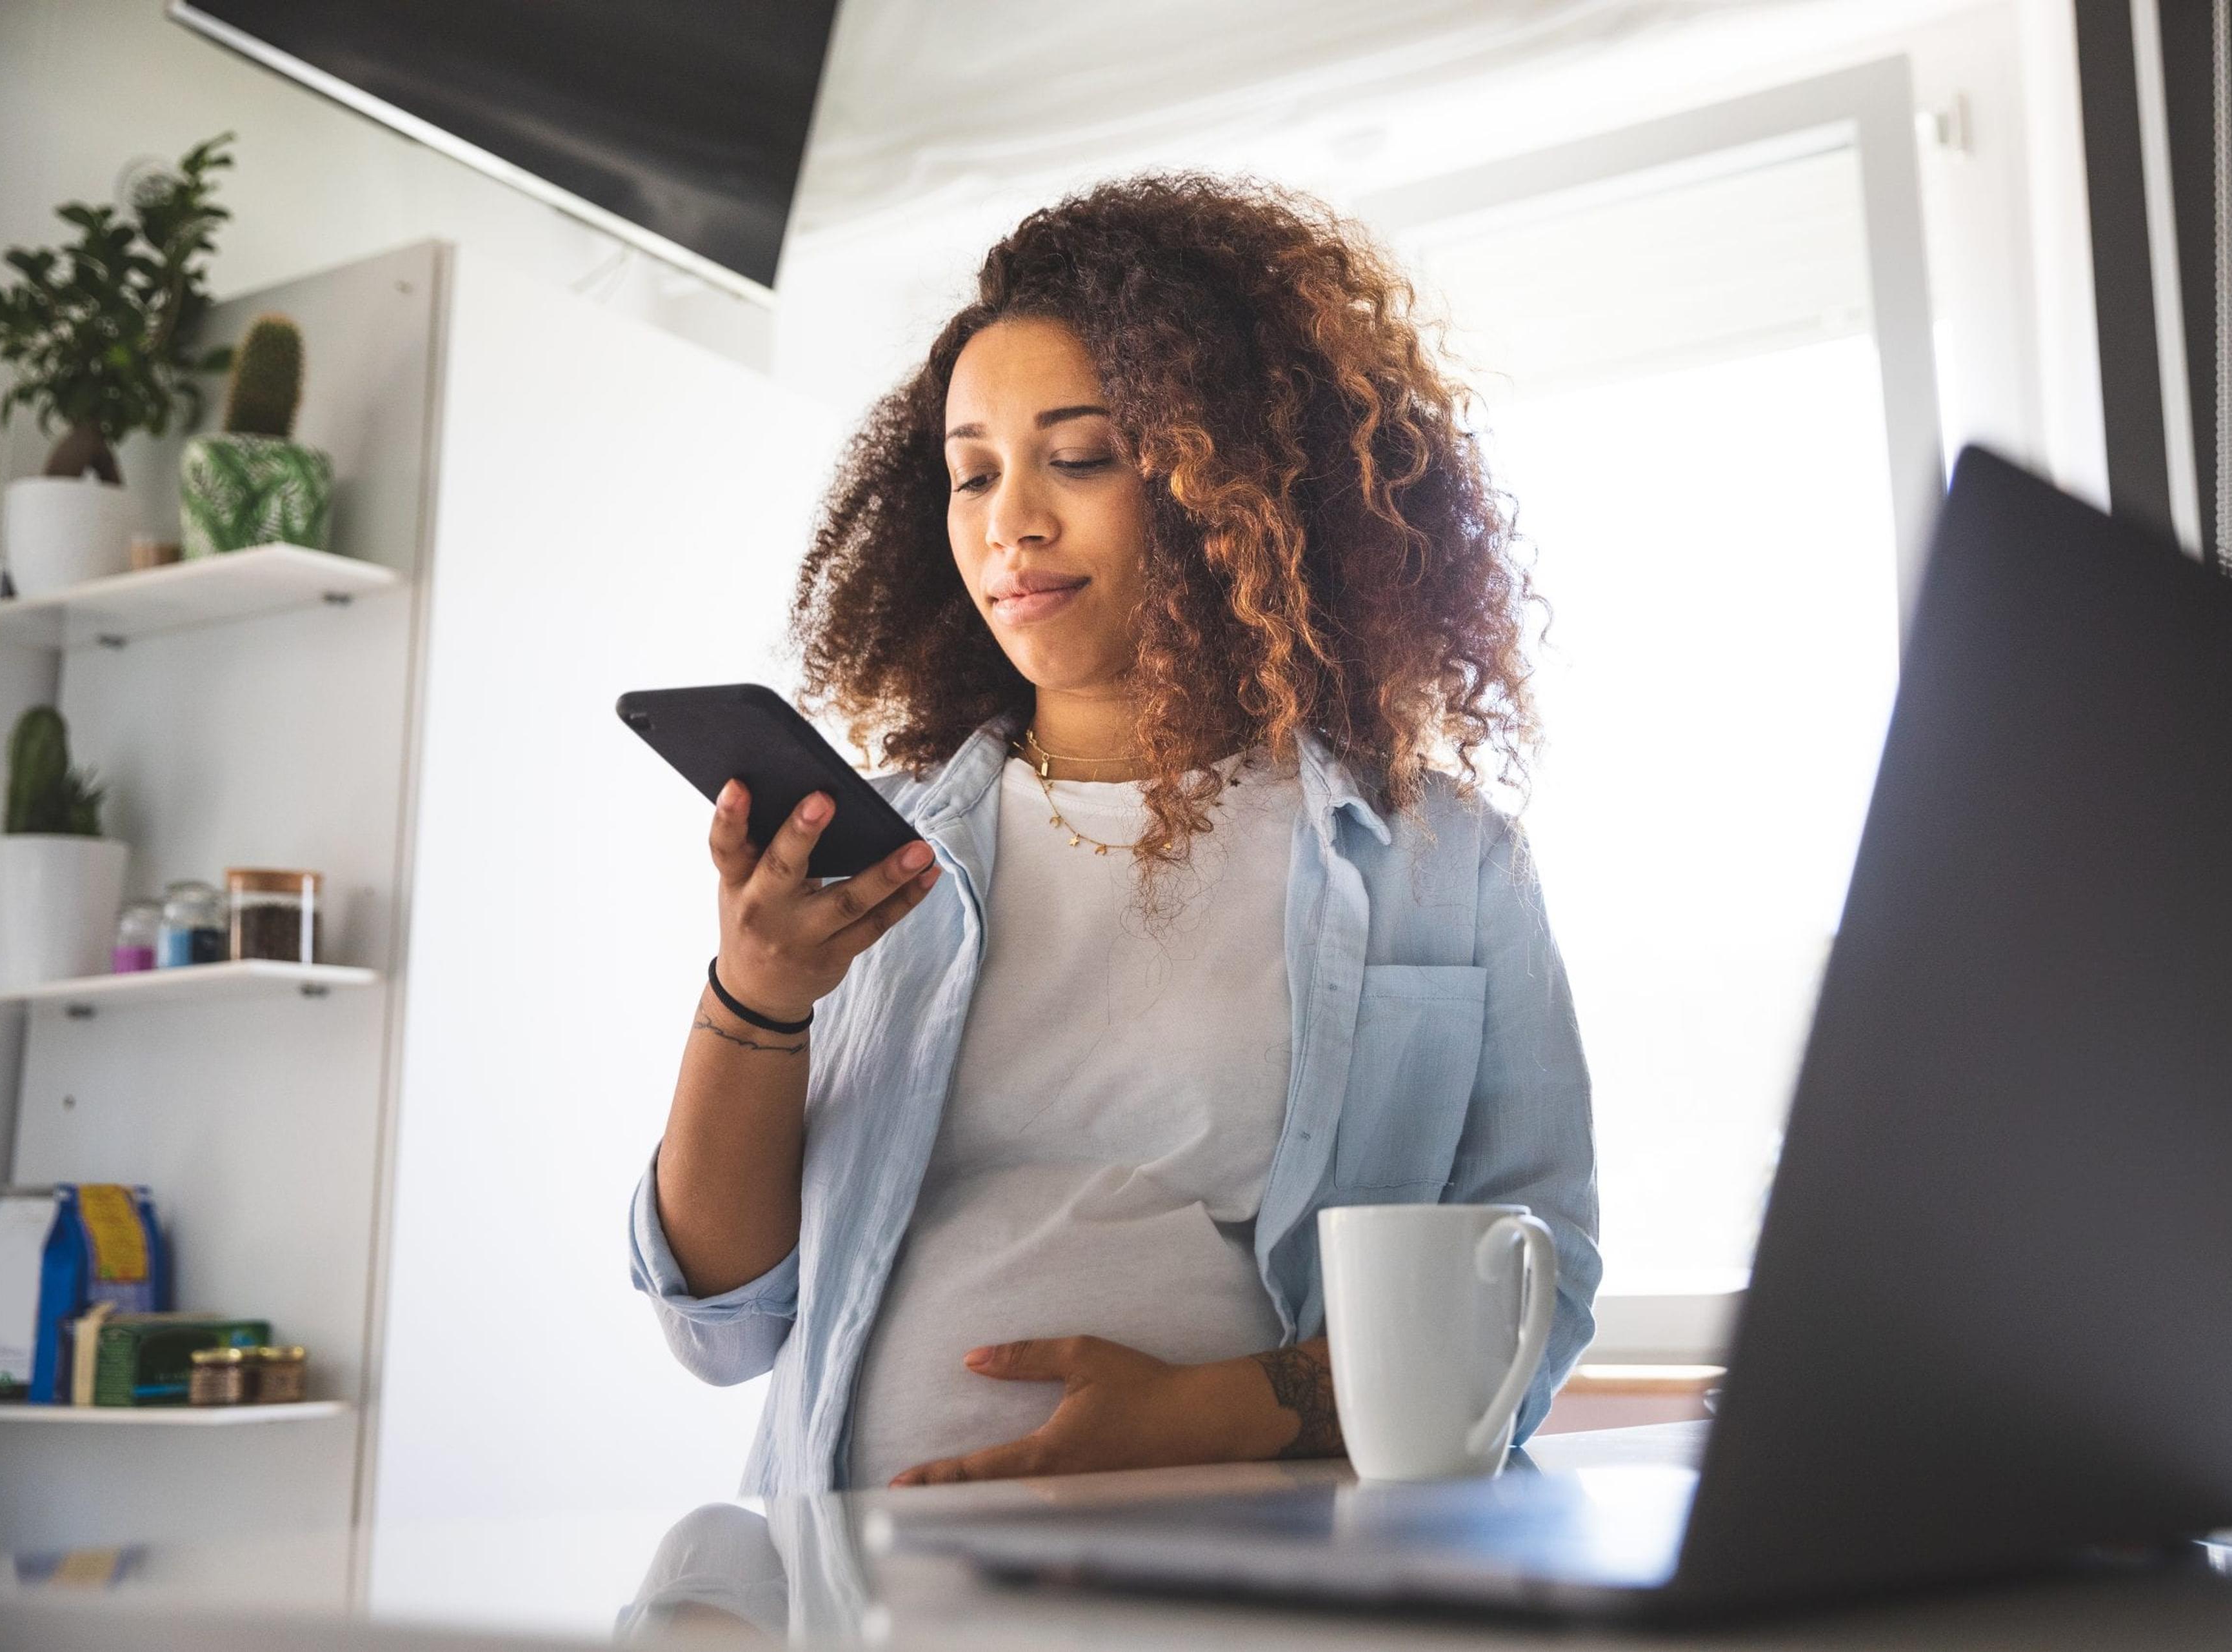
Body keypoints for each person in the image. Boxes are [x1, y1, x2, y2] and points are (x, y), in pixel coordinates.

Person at [629, 174, 1598, 1493]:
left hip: (1262, 1573)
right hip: (863, 1581)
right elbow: (720, 1323)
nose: (1008, 524)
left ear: (1236, 486)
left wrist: (1233, 1410)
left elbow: (1540, 1275)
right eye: (972, 474)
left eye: (1079, 458)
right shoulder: (884, 853)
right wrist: (754, 999)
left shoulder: (1442, 864)